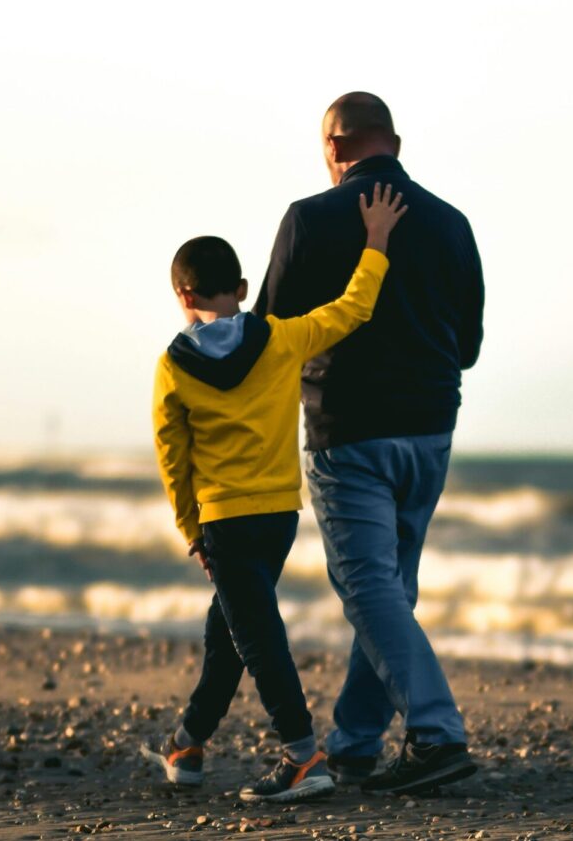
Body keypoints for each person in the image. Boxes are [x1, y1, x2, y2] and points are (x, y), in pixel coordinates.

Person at [254, 92, 485, 795]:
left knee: (367, 586)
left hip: (347, 427)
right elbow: (469, 347)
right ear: (396, 143)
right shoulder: (450, 223)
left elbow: (267, 334)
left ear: (333, 148)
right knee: (391, 587)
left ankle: (436, 732)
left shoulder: (310, 219)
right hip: (430, 429)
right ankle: (355, 743)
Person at [145, 183, 407, 803]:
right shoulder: (281, 337)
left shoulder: (172, 365)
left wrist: (191, 530)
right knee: (231, 633)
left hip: (224, 520)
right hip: (279, 517)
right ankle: (186, 742)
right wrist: (375, 241)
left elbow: (171, 457)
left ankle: (301, 755)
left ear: (182, 296)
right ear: (239, 289)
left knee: (256, 638)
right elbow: (352, 309)